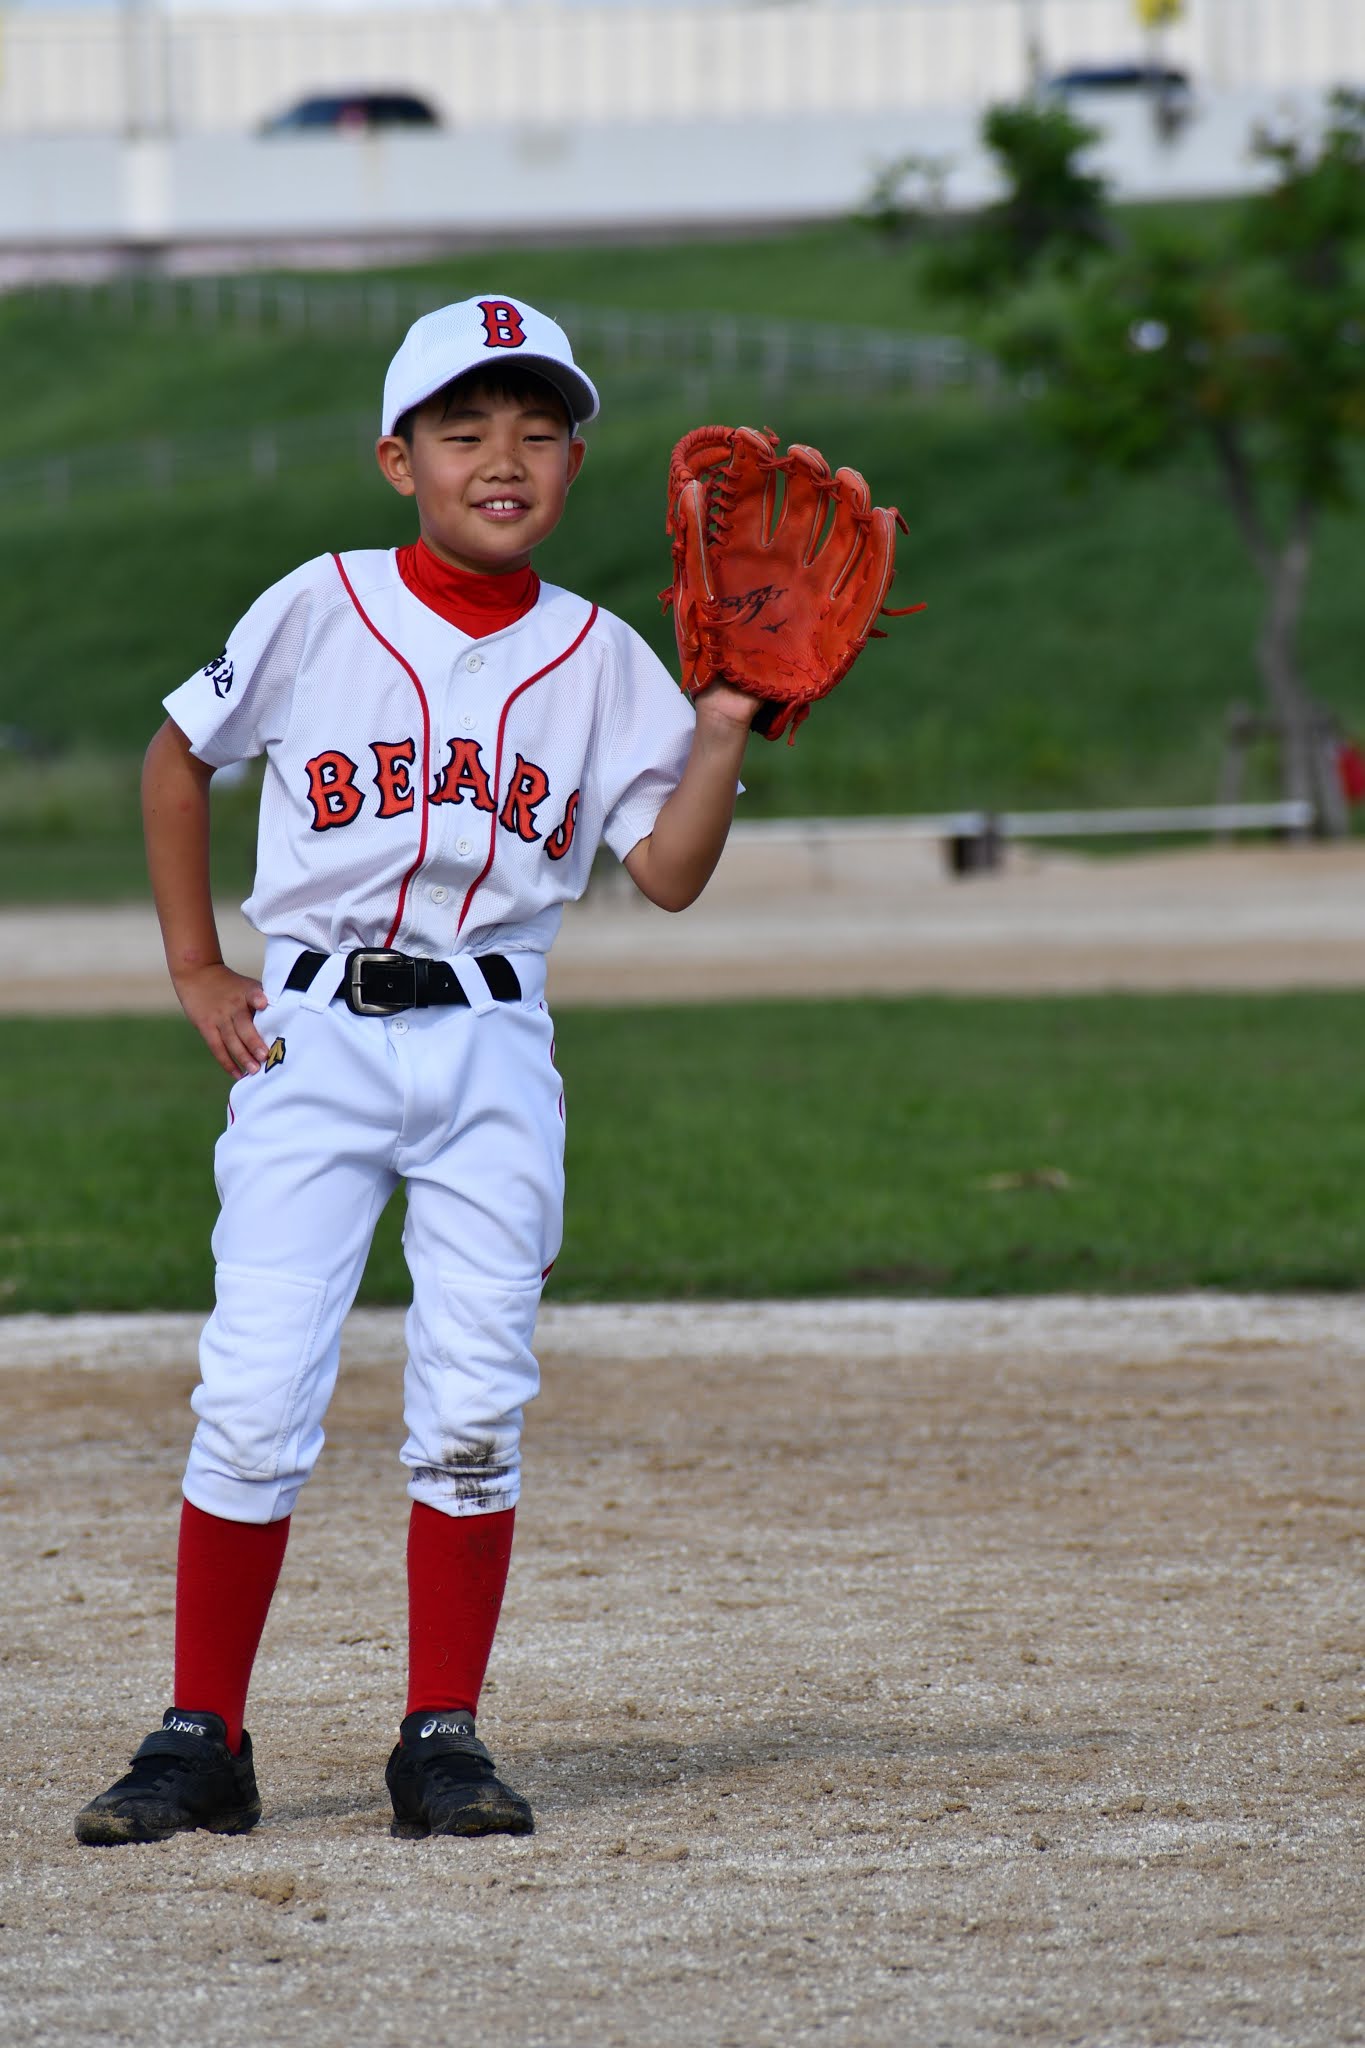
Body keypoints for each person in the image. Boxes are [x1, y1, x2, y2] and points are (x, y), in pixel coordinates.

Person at [75, 293, 762, 1846]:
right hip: (309, 1035)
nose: (500, 458)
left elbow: (663, 871)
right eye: (464, 430)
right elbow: (180, 752)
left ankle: (441, 1735)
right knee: (251, 1394)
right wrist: (196, 963)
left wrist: (719, 722)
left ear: (574, 464)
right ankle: (201, 1736)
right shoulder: (319, 604)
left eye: (535, 430)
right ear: (399, 460)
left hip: (492, 1044)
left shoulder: (598, 658)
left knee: (473, 1400)